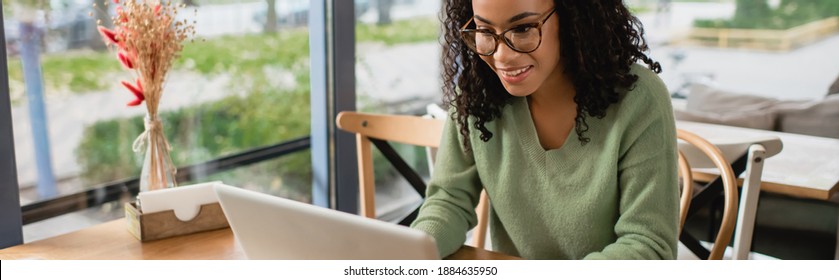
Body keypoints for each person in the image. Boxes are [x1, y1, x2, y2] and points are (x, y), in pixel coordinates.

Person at [410, 0, 679, 259]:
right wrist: (406, 257)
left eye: (523, 28)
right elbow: (449, 200)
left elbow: (648, 244)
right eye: (484, 31)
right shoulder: (478, 94)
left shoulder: (640, 98)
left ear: (574, 18)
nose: (502, 55)